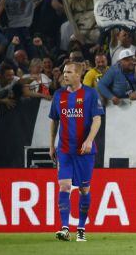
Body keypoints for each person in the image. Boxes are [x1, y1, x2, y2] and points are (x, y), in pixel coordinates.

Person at [49, 62, 104, 242]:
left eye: (69, 72)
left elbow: (97, 120)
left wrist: (89, 140)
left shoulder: (90, 94)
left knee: (83, 189)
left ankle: (81, 227)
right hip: (64, 149)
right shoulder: (58, 95)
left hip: (84, 151)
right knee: (64, 185)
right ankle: (65, 228)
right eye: (64, 71)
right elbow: (54, 121)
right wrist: (51, 144)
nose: (65, 75)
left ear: (79, 75)